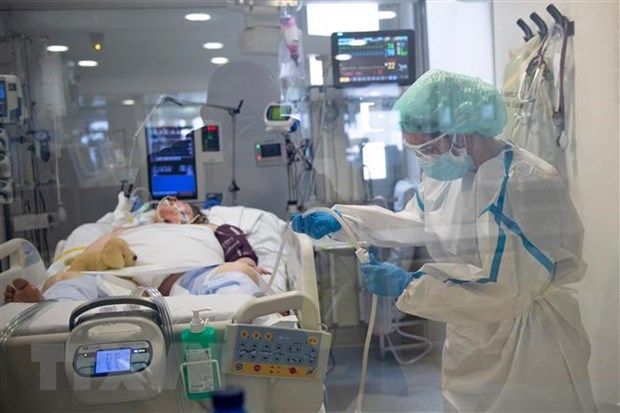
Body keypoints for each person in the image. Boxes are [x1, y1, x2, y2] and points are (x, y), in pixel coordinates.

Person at [292, 69, 596, 412]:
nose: (425, 159)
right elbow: (417, 221)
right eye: (417, 151)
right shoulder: (447, 175)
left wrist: (409, 286)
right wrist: (345, 221)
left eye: (428, 148)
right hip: (471, 331)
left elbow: (506, 291)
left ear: (461, 132)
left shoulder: (526, 182)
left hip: (528, 341)